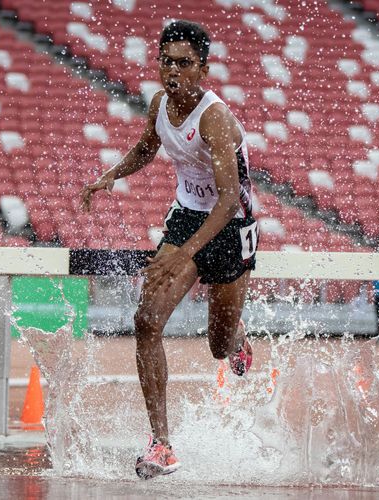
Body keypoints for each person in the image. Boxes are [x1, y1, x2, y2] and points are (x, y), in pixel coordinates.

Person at [80, 20, 258, 480]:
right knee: (146, 319)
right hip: (186, 218)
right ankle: (162, 444)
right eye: (166, 61)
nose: (172, 71)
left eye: (183, 63)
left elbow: (227, 196)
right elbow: (147, 148)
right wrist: (111, 175)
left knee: (217, 346)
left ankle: (238, 339)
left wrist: (186, 254)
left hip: (230, 224)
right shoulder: (160, 103)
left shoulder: (215, 118)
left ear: (203, 68)